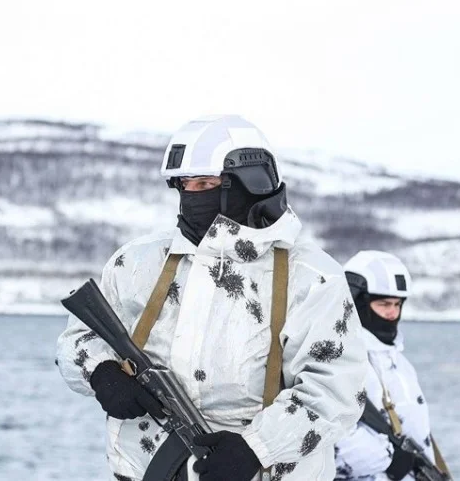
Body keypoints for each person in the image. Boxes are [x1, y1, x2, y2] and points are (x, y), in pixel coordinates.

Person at [57, 115, 368, 481]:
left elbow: (336, 389)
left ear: (249, 184)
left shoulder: (311, 276)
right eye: (185, 185)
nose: (192, 196)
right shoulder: (139, 261)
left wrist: (256, 448)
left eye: (205, 184)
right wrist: (101, 373)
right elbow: (79, 339)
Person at [334, 251, 444, 481]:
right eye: (383, 304)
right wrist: (390, 458)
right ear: (357, 302)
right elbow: (327, 443)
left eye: (397, 304)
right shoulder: (336, 359)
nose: (392, 312)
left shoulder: (402, 365)